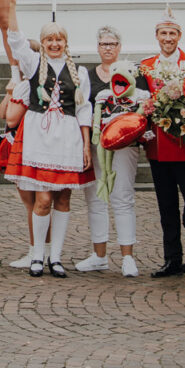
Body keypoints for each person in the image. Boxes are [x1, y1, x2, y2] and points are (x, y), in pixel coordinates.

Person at [2, 23, 93, 278]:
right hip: (40, 137)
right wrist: (11, 2)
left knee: (63, 199)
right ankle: (37, 255)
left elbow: (84, 109)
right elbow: (16, 41)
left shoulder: (80, 72)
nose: (55, 44)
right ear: (42, 42)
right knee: (42, 199)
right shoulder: (33, 64)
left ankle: (56, 257)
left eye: (59, 39)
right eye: (50, 39)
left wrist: (86, 144)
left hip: (68, 137)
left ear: (66, 42)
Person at [138, 6, 185, 281]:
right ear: (157, 36)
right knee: (166, 205)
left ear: (180, 36)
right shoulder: (146, 66)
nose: (168, 38)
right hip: (159, 146)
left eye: (172, 33)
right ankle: (172, 258)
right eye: (163, 33)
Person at [75, 28, 146, 277]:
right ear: (97, 47)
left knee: (122, 197)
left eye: (112, 43)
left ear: (119, 46)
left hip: (125, 145)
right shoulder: (89, 76)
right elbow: (82, 106)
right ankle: (99, 255)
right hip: (96, 144)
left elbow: (144, 106)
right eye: (103, 43)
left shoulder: (132, 72)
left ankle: (128, 257)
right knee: (95, 198)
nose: (108, 48)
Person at [0, 79, 35, 268]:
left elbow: (11, 118)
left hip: (26, 143)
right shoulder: (21, 84)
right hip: (20, 140)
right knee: (32, 203)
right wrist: (10, 92)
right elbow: (2, 112)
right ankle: (38, 249)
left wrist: (14, 93)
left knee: (33, 204)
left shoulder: (28, 85)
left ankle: (36, 250)